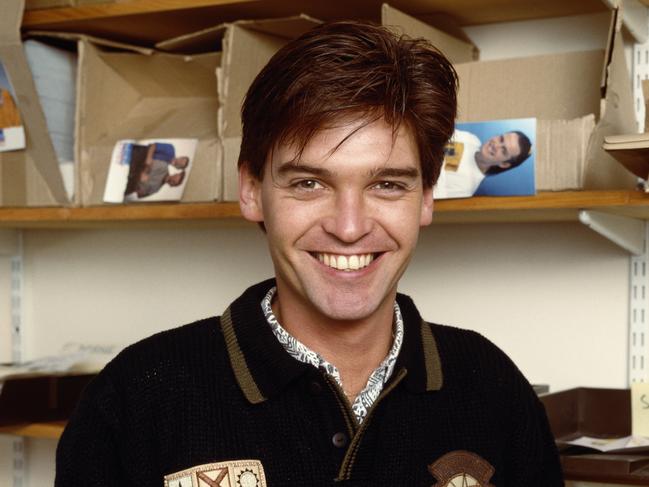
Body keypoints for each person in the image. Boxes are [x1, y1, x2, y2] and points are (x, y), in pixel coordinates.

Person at [55, 21, 563, 487]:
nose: (349, 227)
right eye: (309, 182)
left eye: (387, 184)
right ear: (252, 190)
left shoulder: (492, 384)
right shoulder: (138, 392)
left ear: (426, 198)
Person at [436, 128, 532, 198]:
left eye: (503, 150)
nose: (496, 145)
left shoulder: (466, 188)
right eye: (501, 139)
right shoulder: (472, 139)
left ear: (504, 164)